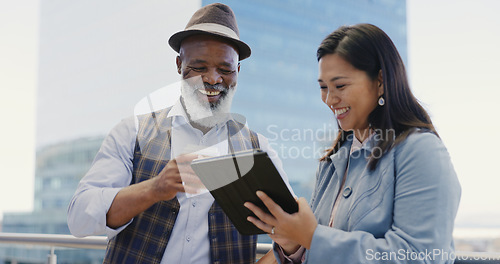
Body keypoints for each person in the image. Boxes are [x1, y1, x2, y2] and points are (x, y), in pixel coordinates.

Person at [67, 3, 292, 263]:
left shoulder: (257, 148)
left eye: (225, 69)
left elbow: (291, 235)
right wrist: (154, 189)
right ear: (179, 64)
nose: (213, 79)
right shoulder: (133, 132)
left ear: (238, 71)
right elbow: (79, 218)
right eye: (199, 67)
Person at [247, 23, 461, 264]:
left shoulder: (421, 151)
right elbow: (315, 251)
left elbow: (422, 256)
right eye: (323, 87)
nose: (329, 98)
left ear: (380, 81)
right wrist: (294, 245)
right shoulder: (333, 159)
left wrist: (312, 237)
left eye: (340, 86)